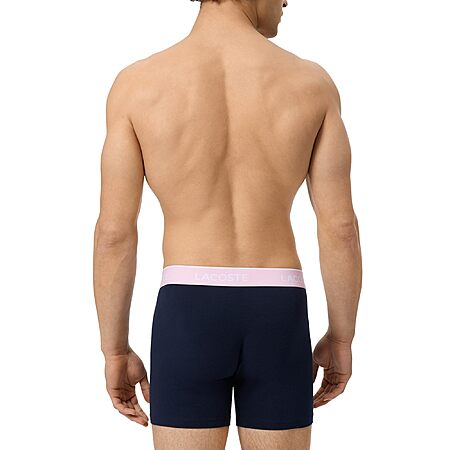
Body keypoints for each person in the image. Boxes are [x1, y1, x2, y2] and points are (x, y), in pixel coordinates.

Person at [93, 0, 362, 448]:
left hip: (187, 311)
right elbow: (340, 228)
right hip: (278, 310)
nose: (286, 1)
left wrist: (114, 349)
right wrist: (342, 337)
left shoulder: (138, 85)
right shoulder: (311, 84)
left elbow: (114, 234)